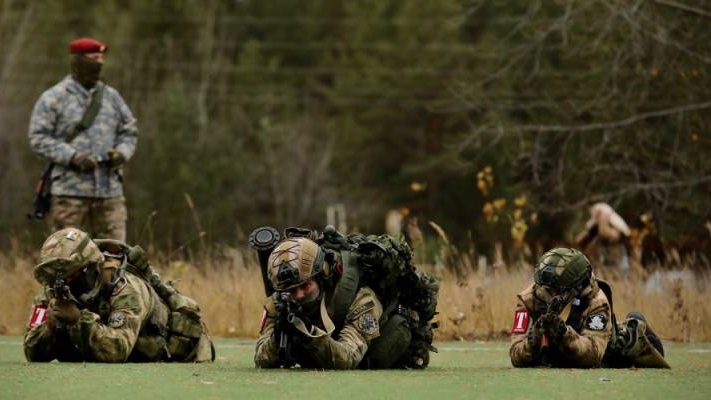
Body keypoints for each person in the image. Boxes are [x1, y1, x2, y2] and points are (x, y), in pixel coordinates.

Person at [253, 226, 438, 369]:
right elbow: (261, 357)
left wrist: (309, 334)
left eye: (305, 286)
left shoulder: (361, 297)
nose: (299, 295)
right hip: (330, 339)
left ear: (322, 276)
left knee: (374, 360)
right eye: (291, 290)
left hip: (379, 336)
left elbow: (348, 358)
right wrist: (277, 338)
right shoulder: (280, 300)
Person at [23, 228, 214, 363]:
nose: (65, 284)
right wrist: (50, 326)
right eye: (57, 278)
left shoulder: (126, 288)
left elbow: (118, 349)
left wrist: (78, 320)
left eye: (71, 277)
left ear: (90, 269)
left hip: (175, 351)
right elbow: (32, 352)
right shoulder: (54, 290)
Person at [28, 37, 137, 241]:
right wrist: (72, 157)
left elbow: (129, 130)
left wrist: (122, 153)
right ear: (78, 60)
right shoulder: (54, 97)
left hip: (109, 193)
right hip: (70, 195)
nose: (100, 62)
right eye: (94, 57)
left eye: (102, 58)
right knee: (68, 261)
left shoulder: (111, 97)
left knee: (114, 259)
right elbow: (38, 138)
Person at [509, 247, 668, 368]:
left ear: (576, 287)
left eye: (557, 289)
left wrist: (563, 334)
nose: (548, 293)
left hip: (608, 350)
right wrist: (535, 336)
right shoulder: (528, 298)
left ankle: (635, 325)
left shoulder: (596, 301)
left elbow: (593, 355)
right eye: (545, 287)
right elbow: (516, 354)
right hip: (558, 354)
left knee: (625, 347)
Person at [576, 203, 632, 270]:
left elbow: (603, 232)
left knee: (622, 258)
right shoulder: (605, 216)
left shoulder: (602, 212)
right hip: (620, 238)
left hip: (620, 238)